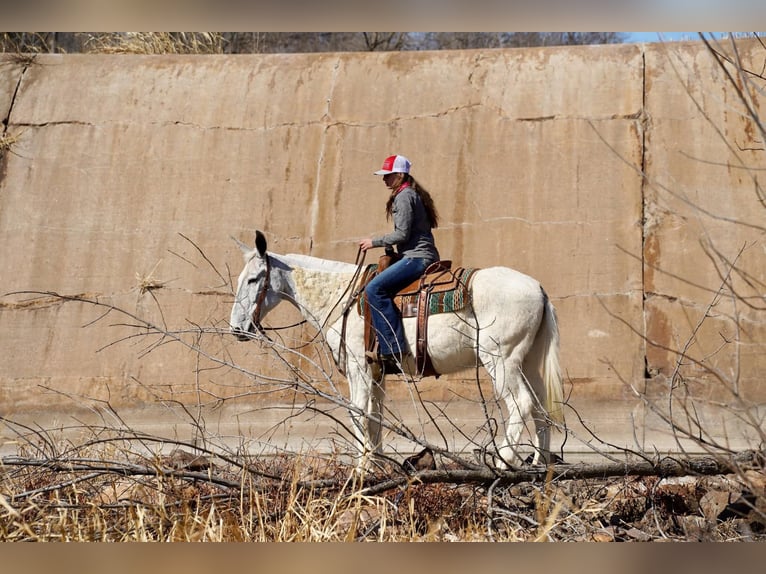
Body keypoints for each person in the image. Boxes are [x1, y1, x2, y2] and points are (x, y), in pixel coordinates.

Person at [359, 154, 440, 372]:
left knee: (374, 289)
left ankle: (392, 349)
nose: (384, 179)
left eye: (388, 175)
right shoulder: (411, 194)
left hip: (417, 257)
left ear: (400, 175)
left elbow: (402, 234)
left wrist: (373, 242)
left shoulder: (404, 197)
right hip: (419, 254)